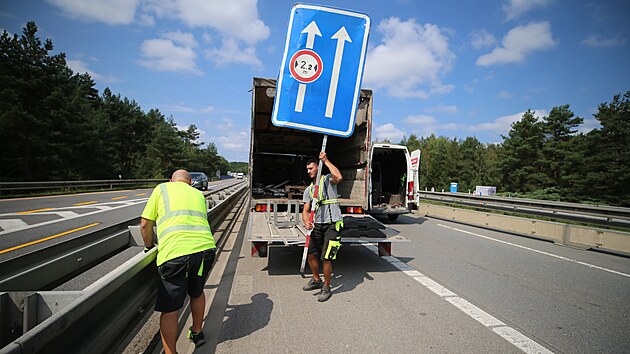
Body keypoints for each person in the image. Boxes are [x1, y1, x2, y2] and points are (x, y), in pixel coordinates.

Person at [140, 169, 216, 353]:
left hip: (175, 254)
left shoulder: (162, 189)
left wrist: (149, 245)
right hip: (205, 250)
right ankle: (197, 332)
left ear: (171, 181)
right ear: (190, 183)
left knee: (170, 307)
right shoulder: (198, 194)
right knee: (197, 292)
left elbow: (145, 224)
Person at [302, 152, 344, 302]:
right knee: (311, 254)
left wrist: (326, 160)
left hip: (333, 224)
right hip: (317, 226)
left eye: (311, 168)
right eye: (307, 169)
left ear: (317, 167)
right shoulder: (309, 190)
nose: (309, 171)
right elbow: (305, 211)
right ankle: (316, 279)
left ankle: (326, 287)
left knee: (326, 257)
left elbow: (339, 177)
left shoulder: (327, 180)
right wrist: (306, 221)